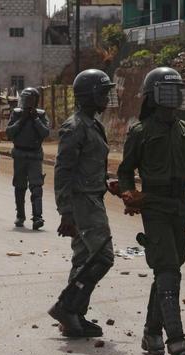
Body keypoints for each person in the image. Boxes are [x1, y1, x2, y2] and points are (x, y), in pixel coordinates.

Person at [116, 67, 185, 355]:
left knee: (169, 269)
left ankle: (151, 333)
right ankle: (176, 340)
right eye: (166, 92)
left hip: (180, 207)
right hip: (154, 205)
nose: (172, 98)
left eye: (176, 92)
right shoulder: (140, 132)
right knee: (168, 269)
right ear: (153, 97)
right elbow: (124, 170)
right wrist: (129, 192)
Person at [49, 69, 116, 338]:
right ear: (88, 96)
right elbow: (62, 171)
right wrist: (66, 212)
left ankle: (73, 318)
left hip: (92, 197)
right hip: (83, 202)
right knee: (102, 256)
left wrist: (107, 181)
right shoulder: (75, 127)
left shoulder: (92, 124)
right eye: (102, 92)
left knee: (83, 259)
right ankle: (66, 307)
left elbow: (88, 164)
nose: (107, 97)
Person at [6, 87, 50, 229]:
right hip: (19, 154)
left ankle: (37, 217)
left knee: (36, 186)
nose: (27, 103)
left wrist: (35, 118)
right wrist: (23, 120)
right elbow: (10, 133)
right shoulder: (17, 114)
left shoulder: (41, 115)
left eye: (30, 100)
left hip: (35, 155)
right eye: (26, 99)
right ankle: (20, 216)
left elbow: (45, 133)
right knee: (19, 187)